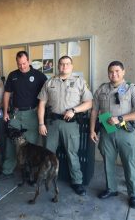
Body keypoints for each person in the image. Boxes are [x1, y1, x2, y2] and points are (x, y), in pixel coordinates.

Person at [90, 61, 135, 209]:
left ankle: (134, 194)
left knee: (129, 163)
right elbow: (94, 111)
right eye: (110, 71)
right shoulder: (102, 89)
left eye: (117, 71)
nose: (113, 74)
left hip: (125, 132)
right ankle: (111, 189)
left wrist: (121, 118)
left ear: (123, 72)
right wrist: (92, 130)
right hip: (106, 131)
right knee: (108, 161)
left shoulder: (131, 89)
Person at [37, 55, 93, 196]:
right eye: (62, 64)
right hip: (53, 123)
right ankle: (46, 178)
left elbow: (89, 103)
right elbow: (42, 104)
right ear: (58, 66)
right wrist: (41, 123)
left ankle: (77, 182)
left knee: (72, 153)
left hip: (70, 124)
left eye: (67, 64)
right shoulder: (50, 82)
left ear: (72, 66)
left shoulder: (80, 82)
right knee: (48, 153)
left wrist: (74, 110)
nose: (64, 66)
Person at [0, 51, 47, 178]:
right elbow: (7, 93)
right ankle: (7, 170)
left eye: (24, 63)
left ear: (29, 61)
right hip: (15, 113)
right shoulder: (13, 75)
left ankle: (30, 172)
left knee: (30, 145)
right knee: (11, 142)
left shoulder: (39, 75)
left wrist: (41, 110)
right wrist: (5, 112)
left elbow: (46, 94)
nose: (22, 66)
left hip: (32, 114)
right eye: (19, 64)